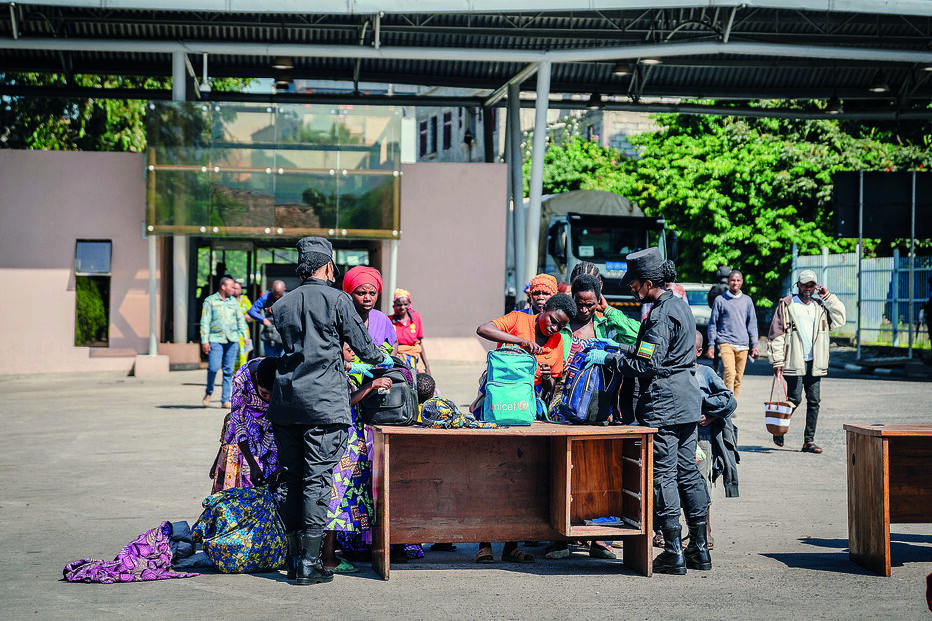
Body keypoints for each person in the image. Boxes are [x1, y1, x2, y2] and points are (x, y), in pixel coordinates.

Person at [268, 237, 391, 586]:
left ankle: (293, 559)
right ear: (327, 267)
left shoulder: (283, 304)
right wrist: (386, 359)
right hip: (323, 404)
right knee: (316, 482)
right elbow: (366, 349)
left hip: (286, 402)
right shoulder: (338, 299)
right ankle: (309, 562)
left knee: (291, 480)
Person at [584, 247, 710, 575]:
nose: (631, 289)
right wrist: (620, 347)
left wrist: (610, 359)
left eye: (634, 284)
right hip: (686, 398)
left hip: (665, 402)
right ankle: (698, 549)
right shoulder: (679, 305)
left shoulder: (657, 314)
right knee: (688, 472)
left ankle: (672, 551)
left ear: (648, 282)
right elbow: (658, 352)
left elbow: (648, 363)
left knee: (664, 474)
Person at [473, 293, 575, 564]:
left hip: (526, 417)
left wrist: (548, 375)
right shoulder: (519, 319)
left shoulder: (556, 342)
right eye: (553, 320)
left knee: (519, 481)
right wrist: (520, 342)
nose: (554, 328)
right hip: (495, 414)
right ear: (545, 309)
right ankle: (484, 545)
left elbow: (552, 387)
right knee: (492, 479)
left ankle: (511, 546)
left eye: (560, 326)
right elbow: (483, 329)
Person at [544, 273, 640, 560]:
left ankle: (599, 539)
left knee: (599, 474)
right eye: (579, 302)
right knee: (562, 472)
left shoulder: (606, 323)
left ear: (598, 300)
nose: (584, 309)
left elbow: (637, 336)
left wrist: (608, 310)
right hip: (560, 408)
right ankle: (559, 538)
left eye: (590, 303)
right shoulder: (562, 326)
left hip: (599, 408)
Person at [320, 343, 393, 574]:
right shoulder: (334, 370)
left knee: (340, 500)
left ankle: (327, 554)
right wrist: (372, 385)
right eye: (347, 346)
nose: (351, 349)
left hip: (349, 442)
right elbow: (345, 401)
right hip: (341, 444)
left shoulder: (342, 368)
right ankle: (328, 558)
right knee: (335, 500)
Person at [768, 269, 846, 454]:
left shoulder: (820, 306)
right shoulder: (787, 305)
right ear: (798, 285)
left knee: (814, 401)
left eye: (811, 285)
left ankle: (808, 441)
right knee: (794, 398)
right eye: (804, 285)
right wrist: (777, 361)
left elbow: (840, 318)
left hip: (815, 361)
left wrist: (827, 297)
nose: (808, 289)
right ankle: (779, 428)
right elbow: (776, 334)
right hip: (794, 360)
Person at [693, 331, 739, 551]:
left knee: (701, 483)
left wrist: (711, 415)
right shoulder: (673, 371)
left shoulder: (705, 373)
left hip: (701, 440)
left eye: (690, 347)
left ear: (699, 351)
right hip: (678, 437)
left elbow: (729, 400)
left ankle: (705, 532)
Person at [209, 357, 279, 492]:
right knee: (248, 478)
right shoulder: (242, 378)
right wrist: (252, 463)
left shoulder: (284, 375)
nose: (268, 398)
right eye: (264, 393)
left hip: (274, 426)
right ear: (257, 378)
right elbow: (237, 423)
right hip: (247, 428)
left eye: (273, 394)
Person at [706, 270, 760, 400]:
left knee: (738, 377)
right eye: (733, 280)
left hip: (743, 344)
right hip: (725, 342)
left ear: (741, 282)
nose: (735, 283)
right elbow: (713, 323)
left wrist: (755, 345)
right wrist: (711, 345)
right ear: (729, 282)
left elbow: (752, 323)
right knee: (730, 373)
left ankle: (732, 405)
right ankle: (727, 404)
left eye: (738, 280)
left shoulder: (747, 300)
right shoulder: (720, 300)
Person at [200, 275, 249, 409]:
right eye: (231, 287)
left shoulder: (233, 302)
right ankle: (209, 392)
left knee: (228, 371)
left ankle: (225, 399)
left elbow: (240, 320)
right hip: (215, 339)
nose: (234, 289)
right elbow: (205, 322)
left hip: (232, 339)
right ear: (223, 287)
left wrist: (245, 335)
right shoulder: (210, 301)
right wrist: (204, 341)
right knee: (213, 367)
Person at [342, 266, 397, 352]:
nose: (367, 298)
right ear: (350, 294)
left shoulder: (382, 319)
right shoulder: (340, 318)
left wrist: (386, 362)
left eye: (372, 293)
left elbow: (393, 343)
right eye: (361, 293)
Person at [391, 288, 431, 374]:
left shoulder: (416, 317)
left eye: (405, 304)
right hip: (397, 360)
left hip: (413, 359)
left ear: (409, 304)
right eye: (399, 305)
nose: (402, 307)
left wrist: (427, 367)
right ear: (394, 305)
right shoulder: (389, 320)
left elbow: (419, 343)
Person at [248, 280, 287, 358]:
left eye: (279, 295)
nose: (276, 297)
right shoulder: (265, 298)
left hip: (284, 335)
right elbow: (252, 311)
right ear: (272, 289)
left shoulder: (289, 298)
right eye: (275, 294)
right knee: (270, 361)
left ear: (284, 289)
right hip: (270, 334)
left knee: (285, 361)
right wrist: (263, 319)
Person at [233, 282, 253, 370]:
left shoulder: (245, 300)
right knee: (232, 356)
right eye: (233, 288)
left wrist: (243, 316)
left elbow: (252, 316)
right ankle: (232, 378)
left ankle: (241, 378)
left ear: (241, 290)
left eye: (237, 288)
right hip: (231, 332)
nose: (235, 290)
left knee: (243, 356)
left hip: (243, 333)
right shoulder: (227, 301)